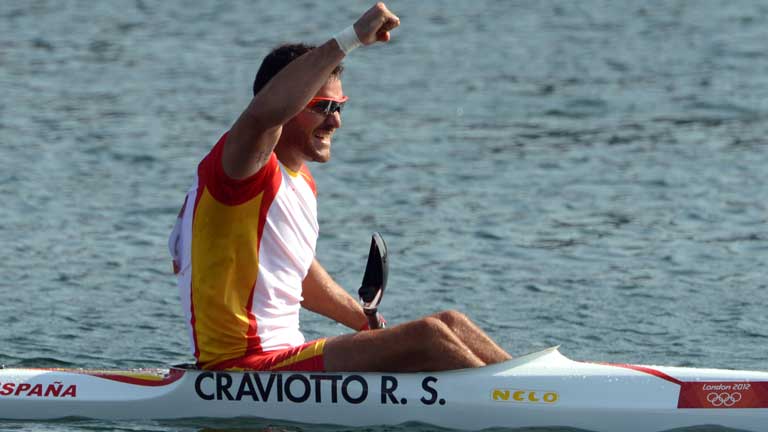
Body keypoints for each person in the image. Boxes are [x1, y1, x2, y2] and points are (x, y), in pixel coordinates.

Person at [168, 2, 511, 372]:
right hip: (241, 367)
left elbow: (295, 272)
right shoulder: (239, 170)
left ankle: (537, 383)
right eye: (322, 107)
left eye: (339, 107)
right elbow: (263, 115)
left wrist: (364, 323)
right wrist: (351, 38)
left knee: (450, 323)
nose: (335, 122)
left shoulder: (300, 182)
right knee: (428, 336)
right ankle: (520, 400)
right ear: (287, 101)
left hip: (283, 359)